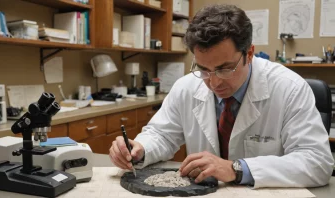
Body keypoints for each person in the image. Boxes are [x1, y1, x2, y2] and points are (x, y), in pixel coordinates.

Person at [109, 4, 334, 188]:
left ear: (249, 53)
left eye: (225, 68)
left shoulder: (289, 88)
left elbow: (317, 162)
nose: (214, 82)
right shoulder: (186, 87)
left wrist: (235, 169)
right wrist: (139, 149)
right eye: (204, 69)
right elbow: (162, 135)